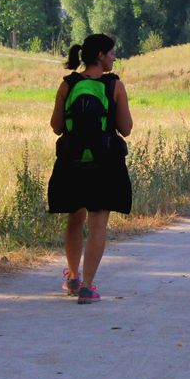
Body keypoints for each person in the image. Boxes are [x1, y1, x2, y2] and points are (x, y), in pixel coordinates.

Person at [47, 34, 133, 304]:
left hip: (72, 163)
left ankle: (72, 277)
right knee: (98, 225)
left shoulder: (68, 84)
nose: (114, 58)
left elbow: (56, 126)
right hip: (104, 164)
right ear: (100, 56)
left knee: (75, 219)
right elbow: (126, 129)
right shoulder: (113, 85)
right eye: (111, 53)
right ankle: (87, 287)